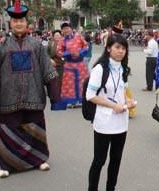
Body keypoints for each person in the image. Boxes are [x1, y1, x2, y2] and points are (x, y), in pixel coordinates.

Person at [0, 0, 61, 178]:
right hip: (8, 99)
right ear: (11, 23)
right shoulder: (2, 47)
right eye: (15, 21)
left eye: (21, 20)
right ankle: (5, 163)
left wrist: (55, 98)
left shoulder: (37, 45)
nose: (18, 23)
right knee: (8, 128)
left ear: (26, 23)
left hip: (34, 97)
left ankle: (38, 159)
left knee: (35, 127)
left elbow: (49, 72)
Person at [86, 34, 136, 191]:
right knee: (99, 160)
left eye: (123, 48)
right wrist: (113, 106)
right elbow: (90, 96)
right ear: (108, 49)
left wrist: (128, 102)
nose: (121, 51)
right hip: (104, 122)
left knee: (116, 159)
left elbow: (123, 91)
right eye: (117, 48)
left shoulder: (123, 68)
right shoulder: (100, 69)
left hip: (121, 122)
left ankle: (111, 188)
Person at [56, 22, 89, 109]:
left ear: (71, 28)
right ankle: (72, 102)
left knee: (82, 83)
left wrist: (79, 53)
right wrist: (67, 53)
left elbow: (86, 46)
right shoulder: (62, 40)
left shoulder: (79, 36)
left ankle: (83, 100)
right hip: (69, 65)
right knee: (70, 85)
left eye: (67, 28)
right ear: (62, 31)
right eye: (64, 29)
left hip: (80, 65)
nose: (66, 30)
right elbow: (58, 52)